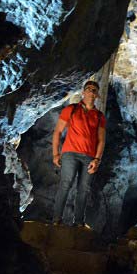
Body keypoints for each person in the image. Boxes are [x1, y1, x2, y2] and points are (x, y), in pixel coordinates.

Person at [51, 80, 106, 226]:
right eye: (88, 89)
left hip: (89, 156)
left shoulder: (100, 116)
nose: (91, 92)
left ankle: (79, 222)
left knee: (84, 189)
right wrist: (55, 154)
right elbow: (57, 131)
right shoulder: (72, 109)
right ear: (83, 92)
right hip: (70, 154)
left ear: (97, 95)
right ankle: (57, 219)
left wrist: (97, 159)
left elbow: (101, 140)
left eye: (94, 90)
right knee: (65, 184)